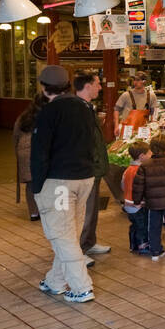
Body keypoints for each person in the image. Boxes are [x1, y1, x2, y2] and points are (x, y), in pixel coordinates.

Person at [31, 65, 99, 303]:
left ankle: (81, 287)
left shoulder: (49, 112)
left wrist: (37, 187)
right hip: (85, 179)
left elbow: (40, 153)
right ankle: (55, 281)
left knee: (62, 235)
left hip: (60, 182)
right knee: (70, 234)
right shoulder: (85, 107)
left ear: (43, 87)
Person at [73, 73, 111, 259]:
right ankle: (79, 250)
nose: (100, 88)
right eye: (97, 84)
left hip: (93, 168)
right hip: (86, 169)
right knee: (85, 211)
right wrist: (92, 161)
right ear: (87, 86)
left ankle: (89, 242)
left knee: (92, 209)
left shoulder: (88, 107)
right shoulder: (77, 109)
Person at [133, 134, 165, 260]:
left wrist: (137, 200)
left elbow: (138, 185)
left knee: (154, 226)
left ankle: (155, 251)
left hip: (152, 202)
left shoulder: (144, 165)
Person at [12, 93, 47, 220]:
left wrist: (18, 151)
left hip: (23, 151)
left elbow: (15, 135)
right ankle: (43, 209)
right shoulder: (47, 115)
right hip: (39, 150)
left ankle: (33, 213)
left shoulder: (24, 116)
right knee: (44, 182)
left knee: (30, 183)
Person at [122, 142, 151, 254]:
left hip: (128, 204)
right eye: (149, 153)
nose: (151, 155)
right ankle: (143, 246)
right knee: (142, 226)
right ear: (142, 156)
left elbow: (122, 185)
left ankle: (133, 245)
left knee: (134, 225)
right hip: (138, 204)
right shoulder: (141, 170)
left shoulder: (128, 169)